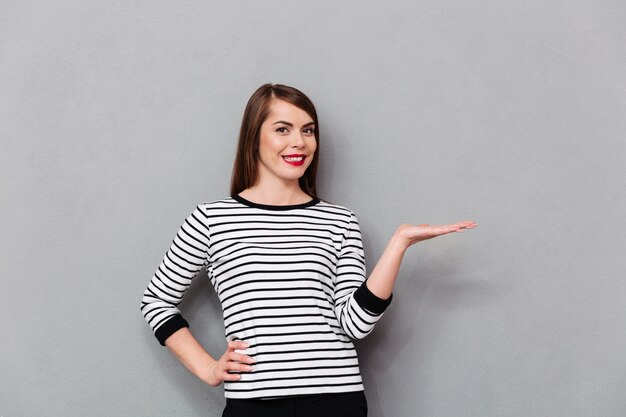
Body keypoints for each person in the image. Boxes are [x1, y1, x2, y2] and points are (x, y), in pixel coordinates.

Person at [140, 83, 477, 417]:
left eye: (308, 130)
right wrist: (208, 368)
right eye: (282, 129)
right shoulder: (212, 219)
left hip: (337, 400)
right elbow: (155, 301)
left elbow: (354, 324)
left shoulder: (339, 221)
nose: (299, 142)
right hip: (254, 404)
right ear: (254, 137)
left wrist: (399, 244)